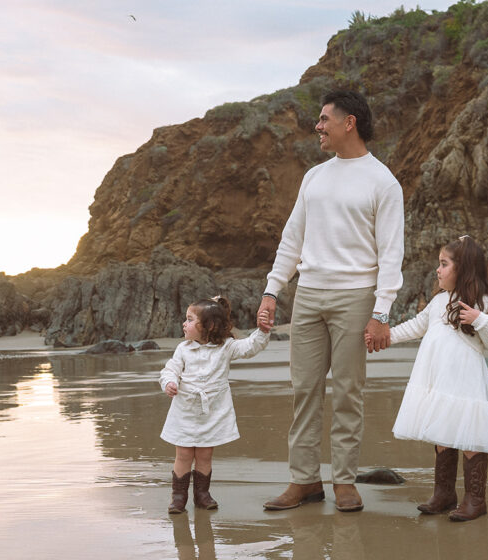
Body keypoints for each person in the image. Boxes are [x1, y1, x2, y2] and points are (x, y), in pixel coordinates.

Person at [258, 90, 405, 513]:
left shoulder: (383, 182)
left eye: (324, 119)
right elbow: (292, 239)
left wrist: (381, 313)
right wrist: (272, 291)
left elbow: (391, 253)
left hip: (356, 296)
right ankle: (304, 481)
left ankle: (344, 481)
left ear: (349, 122)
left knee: (347, 392)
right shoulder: (314, 178)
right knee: (304, 389)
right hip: (308, 294)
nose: (317, 127)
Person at [383, 235, 488, 521]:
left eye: (443, 264)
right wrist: (386, 337)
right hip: (438, 379)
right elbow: (416, 326)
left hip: (466, 380)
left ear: (463, 268)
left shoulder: (482, 302)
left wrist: (480, 319)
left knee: (470, 436)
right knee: (443, 432)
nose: (437, 270)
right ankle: (444, 493)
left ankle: (475, 499)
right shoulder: (439, 301)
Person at [160, 296, 271, 514]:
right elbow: (170, 369)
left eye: (190, 319)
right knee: (183, 453)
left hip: (211, 411)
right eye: (186, 319)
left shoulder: (226, 347)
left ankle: (202, 494)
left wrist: (263, 331)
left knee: (204, 454)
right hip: (185, 410)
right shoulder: (183, 349)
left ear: (208, 326)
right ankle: (178, 497)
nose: (184, 323)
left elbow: (249, 347)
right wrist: (169, 382)